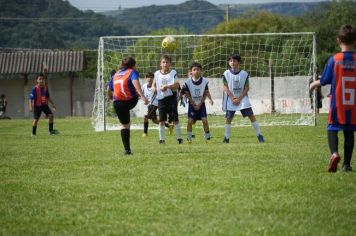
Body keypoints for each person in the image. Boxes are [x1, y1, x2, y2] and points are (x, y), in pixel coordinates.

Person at [310, 24, 356, 172]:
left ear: (338, 40)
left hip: (338, 104)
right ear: (354, 41)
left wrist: (313, 84)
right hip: (353, 104)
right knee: (349, 132)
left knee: (332, 128)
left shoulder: (335, 59)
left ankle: (334, 153)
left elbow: (325, 80)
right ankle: (347, 165)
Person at [107, 57, 148, 155]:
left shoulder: (116, 74)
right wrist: (142, 96)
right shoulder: (132, 72)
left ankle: (127, 150)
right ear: (133, 65)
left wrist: (110, 97)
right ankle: (127, 150)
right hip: (130, 101)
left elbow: (109, 88)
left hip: (117, 103)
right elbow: (135, 83)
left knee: (124, 125)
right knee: (133, 92)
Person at [222, 54, 264, 143]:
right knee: (228, 118)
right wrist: (233, 97)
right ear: (229, 62)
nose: (232, 62)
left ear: (238, 62)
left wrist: (239, 99)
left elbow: (247, 88)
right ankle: (226, 138)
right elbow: (225, 87)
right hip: (230, 99)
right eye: (231, 61)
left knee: (251, 116)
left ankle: (259, 135)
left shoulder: (244, 74)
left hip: (242, 99)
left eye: (234, 60)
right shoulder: (226, 73)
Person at [152, 54, 183, 144]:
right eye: (163, 62)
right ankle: (162, 140)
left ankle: (179, 139)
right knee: (161, 120)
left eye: (167, 62)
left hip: (171, 99)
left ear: (170, 64)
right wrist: (154, 88)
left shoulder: (173, 72)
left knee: (175, 119)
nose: (165, 64)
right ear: (160, 64)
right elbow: (154, 85)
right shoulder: (157, 73)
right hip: (161, 100)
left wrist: (167, 86)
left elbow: (177, 85)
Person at [184, 62, 213, 143]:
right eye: (194, 69)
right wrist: (193, 103)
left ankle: (207, 137)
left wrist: (202, 103)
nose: (196, 71)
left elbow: (206, 92)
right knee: (190, 121)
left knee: (204, 120)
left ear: (201, 71)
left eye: (198, 69)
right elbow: (187, 94)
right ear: (191, 71)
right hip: (192, 104)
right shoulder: (188, 82)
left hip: (201, 104)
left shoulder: (204, 81)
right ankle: (189, 138)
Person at [142, 72, 171, 137]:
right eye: (148, 77)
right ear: (146, 78)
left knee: (146, 117)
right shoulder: (144, 86)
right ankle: (169, 126)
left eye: (151, 77)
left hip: (156, 104)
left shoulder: (156, 86)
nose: (149, 79)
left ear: (153, 78)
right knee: (154, 120)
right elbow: (142, 94)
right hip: (150, 105)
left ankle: (145, 133)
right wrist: (144, 100)